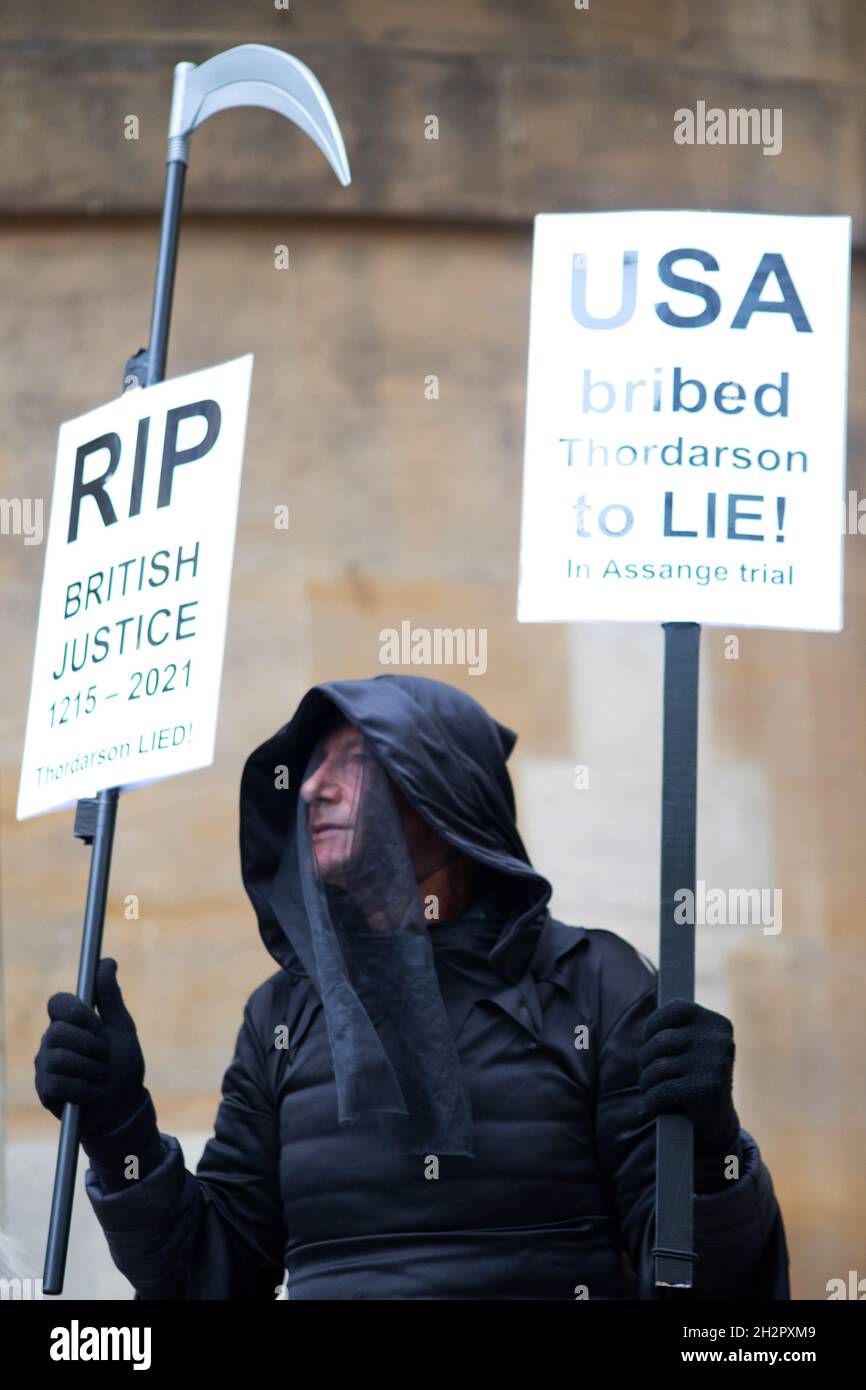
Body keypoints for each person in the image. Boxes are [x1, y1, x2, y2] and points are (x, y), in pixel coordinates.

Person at [34, 674, 790, 1299]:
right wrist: (120, 1133)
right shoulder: (284, 1014)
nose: (310, 790)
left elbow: (710, 1308)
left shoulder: (596, 985)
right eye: (312, 765)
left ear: (444, 791)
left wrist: (715, 1153)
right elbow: (213, 1279)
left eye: (352, 760)